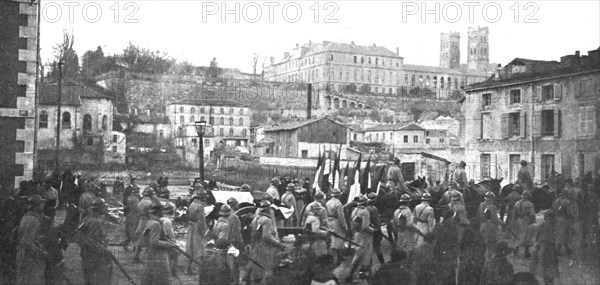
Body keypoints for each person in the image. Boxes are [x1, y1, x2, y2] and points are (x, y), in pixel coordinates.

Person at [250, 200, 286, 285]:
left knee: (258, 273)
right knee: (268, 272)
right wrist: (279, 244)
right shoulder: (267, 220)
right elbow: (267, 236)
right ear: (268, 209)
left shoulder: (256, 219)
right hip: (267, 249)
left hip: (258, 247)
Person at [141, 203, 178, 285]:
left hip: (151, 252)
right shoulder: (156, 224)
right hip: (158, 253)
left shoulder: (151, 221)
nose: (163, 212)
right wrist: (170, 245)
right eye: (161, 210)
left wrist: (166, 240)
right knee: (162, 276)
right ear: (158, 212)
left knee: (151, 275)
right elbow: (154, 242)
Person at [78, 198, 113, 285]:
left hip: (86, 254)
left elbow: (81, 236)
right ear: (99, 209)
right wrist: (106, 251)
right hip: (95, 256)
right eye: (104, 207)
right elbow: (90, 241)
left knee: (89, 280)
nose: (105, 209)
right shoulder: (95, 222)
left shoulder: (87, 219)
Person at [16, 195, 47, 285]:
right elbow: (28, 243)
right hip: (29, 257)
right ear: (36, 206)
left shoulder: (27, 216)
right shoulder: (33, 220)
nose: (43, 206)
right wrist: (42, 253)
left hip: (23, 254)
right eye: (41, 204)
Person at [346, 196, 374, 282]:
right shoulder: (365, 212)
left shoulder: (355, 211)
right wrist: (374, 230)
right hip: (365, 235)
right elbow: (365, 227)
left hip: (357, 234)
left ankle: (353, 273)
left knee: (359, 254)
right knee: (364, 255)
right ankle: (359, 275)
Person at [530, 210, 559, 285]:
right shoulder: (555, 226)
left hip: (543, 248)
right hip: (551, 248)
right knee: (551, 265)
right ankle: (550, 280)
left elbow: (536, 237)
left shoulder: (542, 225)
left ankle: (546, 280)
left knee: (544, 265)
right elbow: (557, 237)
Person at [186, 190, 209, 275]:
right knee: (198, 248)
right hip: (197, 228)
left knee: (190, 247)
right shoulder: (200, 206)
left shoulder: (192, 204)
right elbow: (201, 221)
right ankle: (197, 269)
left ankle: (189, 268)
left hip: (191, 227)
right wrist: (203, 231)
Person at [131, 187, 155, 263]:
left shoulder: (141, 201)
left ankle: (136, 257)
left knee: (140, 240)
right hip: (147, 222)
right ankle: (148, 258)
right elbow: (151, 213)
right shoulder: (149, 202)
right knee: (149, 239)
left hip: (141, 221)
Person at [326, 188, 348, 265]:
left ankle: (338, 256)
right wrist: (344, 226)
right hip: (336, 222)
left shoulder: (328, 202)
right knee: (338, 239)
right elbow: (341, 216)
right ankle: (336, 259)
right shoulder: (339, 204)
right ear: (339, 195)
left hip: (329, 221)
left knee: (332, 239)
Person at [479, 191, 503, 258]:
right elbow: (494, 218)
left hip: (482, 225)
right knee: (491, 242)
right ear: (492, 198)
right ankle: (490, 256)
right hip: (490, 226)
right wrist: (501, 223)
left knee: (484, 241)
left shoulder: (481, 205)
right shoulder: (492, 206)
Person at [551, 188, 575, 256]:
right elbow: (570, 212)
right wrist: (573, 217)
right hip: (565, 219)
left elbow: (553, 209)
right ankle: (564, 249)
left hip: (557, 218)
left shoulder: (556, 200)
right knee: (567, 234)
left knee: (559, 234)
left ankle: (560, 249)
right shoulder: (567, 201)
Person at [226, 198, 243, 285]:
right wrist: (239, 244)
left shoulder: (227, 215)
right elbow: (236, 232)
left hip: (227, 242)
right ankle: (236, 282)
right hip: (235, 243)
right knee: (235, 265)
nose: (238, 205)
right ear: (234, 205)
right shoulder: (234, 217)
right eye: (237, 204)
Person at [513, 191, 536, 258]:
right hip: (526, 221)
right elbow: (532, 214)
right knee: (527, 236)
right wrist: (533, 222)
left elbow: (514, 215)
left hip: (518, 220)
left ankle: (516, 250)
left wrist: (514, 222)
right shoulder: (530, 204)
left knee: (517, 235)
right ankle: (526, 252)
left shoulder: (516, 203)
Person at [160, 200, 178, 277]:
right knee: (174, 256)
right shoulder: (168, 221)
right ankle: (172, 272)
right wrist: (174, 242)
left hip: (160, 240)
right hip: (167, 240)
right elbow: (171, 234)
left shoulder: (161, 218)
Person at [366, 192, 385, 265]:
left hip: (368, 230)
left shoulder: (366, 208)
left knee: (369, 248)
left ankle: (369, 264)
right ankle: (382, 263)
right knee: (377, 247)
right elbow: (376, 221)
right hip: (375, 230)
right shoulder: (373, 209)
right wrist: (379, 228)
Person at [124, 186, 140, 250]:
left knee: (128, 230)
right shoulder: (135, 199)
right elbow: (136, 207)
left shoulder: (129, 197)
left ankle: (127, 243)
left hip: (129, 215)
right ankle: (133, 244)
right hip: (134, 215)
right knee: (133, 229)